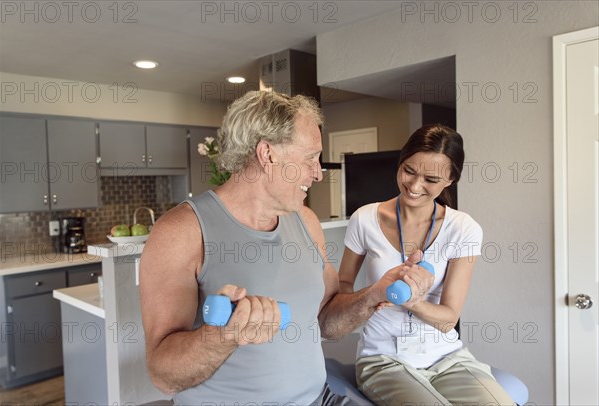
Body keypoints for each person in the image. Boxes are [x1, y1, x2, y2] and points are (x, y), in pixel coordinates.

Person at [139, 90, 430, 405]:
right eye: (310, 158)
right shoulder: (181, 232)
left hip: (319, 399)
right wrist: (225, 336)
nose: (318, 173)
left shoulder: (304, 221)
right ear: (267, 154)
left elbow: (326, 321)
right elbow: (163, 377)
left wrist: (376, 294)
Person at [338, 124, 515, 405]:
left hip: (447, 358)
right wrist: (369, 299)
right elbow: (343, 285)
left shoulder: (463, 229)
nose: (415, 185)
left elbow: (448, 320)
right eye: (409, 170)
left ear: (450, 180)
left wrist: (410, 299)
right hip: (384, 359)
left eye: (431, 179)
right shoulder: (365, 219)